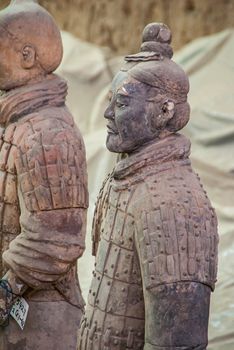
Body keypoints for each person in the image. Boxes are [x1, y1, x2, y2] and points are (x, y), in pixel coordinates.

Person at [77, 23, 218, 350]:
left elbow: (176, 343)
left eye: (122, 103)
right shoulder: (128, 178)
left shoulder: (173, 204)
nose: (108, 113)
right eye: (111, 100)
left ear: (164, 112)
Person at [0, 0, 88, 349]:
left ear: (26, 56)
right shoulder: (20, 121)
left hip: (42, 314)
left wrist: (7, 289)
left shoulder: (48, 131)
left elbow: (56, 240)